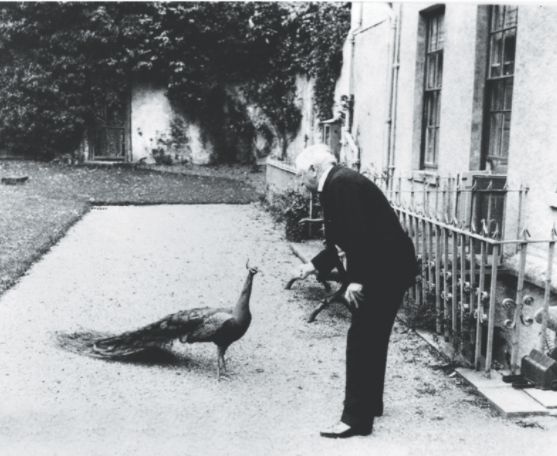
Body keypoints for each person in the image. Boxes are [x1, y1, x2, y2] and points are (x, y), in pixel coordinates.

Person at [290, 144, 417, 438]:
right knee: (373, 336)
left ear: (313, 169)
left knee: (361, 339)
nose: (300, 182)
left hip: (382, 271)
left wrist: (357, 280)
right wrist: (312, 265)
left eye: (300, 175)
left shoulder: (341, 184)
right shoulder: (337, 181)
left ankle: (355, 420)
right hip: (390, 267)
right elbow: (342, 238)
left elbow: (361, 236)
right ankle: (370, 404)